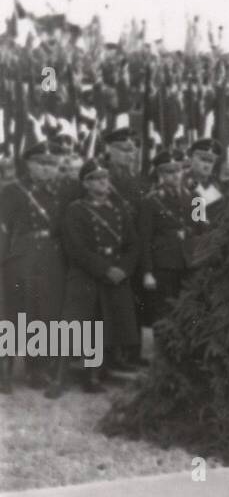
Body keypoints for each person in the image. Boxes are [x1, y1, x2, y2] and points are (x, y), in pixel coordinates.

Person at [51, 159, 141, 396]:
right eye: (98, 178)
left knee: (100, 327)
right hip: (85, 275)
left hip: (114, 275)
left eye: (105, 178)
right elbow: (76, 248)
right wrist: (105, 269)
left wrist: (123, 268)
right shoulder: (76, 210)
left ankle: (91, 377)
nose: (104, 182)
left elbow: (133, 244)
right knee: (73, 326)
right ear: (86, 183)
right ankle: (58, 379)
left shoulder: (118, 209)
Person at [0, 143, 68, 392]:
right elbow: (3, 227)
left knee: (43, 313)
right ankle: (3, 370)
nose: (46, 169)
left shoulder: (57, 193)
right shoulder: (12, 191)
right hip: (20, 257)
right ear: (28, 164)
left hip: (49, 258)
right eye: (40, 163)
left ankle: (36, 368)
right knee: (13, 312)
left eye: (50, 164)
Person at [137, 149, 193, 328]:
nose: (175, 175)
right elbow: (144, 239)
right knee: (164, 313)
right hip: (164, 266)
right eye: (169, 171)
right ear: (160, 174)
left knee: (188, 311)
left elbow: (202, 230)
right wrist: (147, 272)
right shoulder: (151, 201)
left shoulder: (195, 198)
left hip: (189, 263)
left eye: (178, 170)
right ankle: (163, 354)